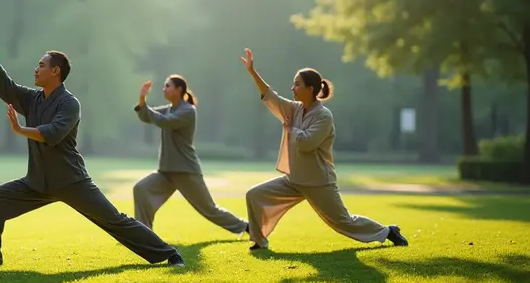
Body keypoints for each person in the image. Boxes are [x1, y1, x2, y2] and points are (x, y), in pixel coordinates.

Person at [0, 26, 184, 268]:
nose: (36, 68)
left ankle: (169, 254)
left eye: (41, 65)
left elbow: (52, 133)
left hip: (71, 181)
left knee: (114, 220)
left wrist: (21, 130)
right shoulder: (33, 98)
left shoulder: (70, 104)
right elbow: (6, 87)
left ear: (55, 71)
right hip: (37, 182)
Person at [240, 48, 409, 251]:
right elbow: (270, 96)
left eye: (297, 84)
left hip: (318, 181)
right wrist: (252, 71)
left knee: (343, 222)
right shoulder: (294, 109)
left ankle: (388, 231)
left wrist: (290, 127)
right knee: (254, 195)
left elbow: (307, 143)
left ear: (310, 89)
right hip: (294, 179)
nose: (292, 88)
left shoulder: (324, 115)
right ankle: (259, 241)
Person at [132, 75, 249, 235]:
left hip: (185, 170)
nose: (164, 89)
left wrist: (145, 104)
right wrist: (142, 98)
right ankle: (143, 234)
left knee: (209, 209)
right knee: (141, 189)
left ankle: (247, 227)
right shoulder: (169, 109)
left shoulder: (188, 111)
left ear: (179, 89)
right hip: (166, 170)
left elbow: (163, 121)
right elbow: (147, 116)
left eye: (168, 86)